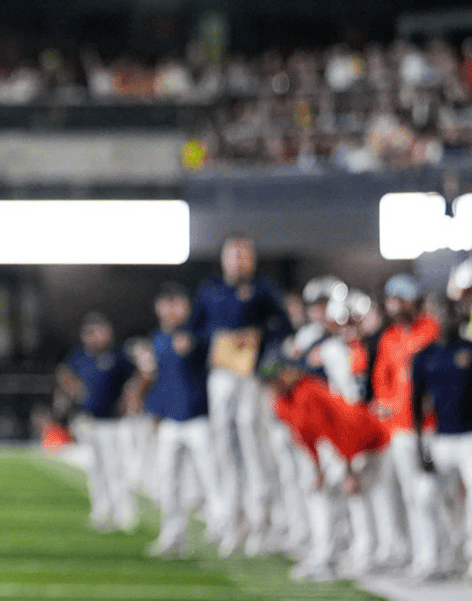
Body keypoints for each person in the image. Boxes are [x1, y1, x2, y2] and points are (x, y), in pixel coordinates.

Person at [189, 235, 294, 554]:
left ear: (252, 259)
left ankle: (263, 523)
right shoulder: (210, 290)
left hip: (249, 376)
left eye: (242, 255)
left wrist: (257, 335)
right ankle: (231, 521)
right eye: (232, 255)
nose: (237, 261)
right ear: (223, 260)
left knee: (254, 445)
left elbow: (285, 326)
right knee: (223, 448)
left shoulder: (263, 290)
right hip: (221, 374)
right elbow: (194, 330)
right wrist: (211, 342)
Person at [264, 357, 393, 580]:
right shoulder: (283, 401)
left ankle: (356, 556)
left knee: (356, 499)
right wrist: (317, 469)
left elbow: (338, 430)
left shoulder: (307, 392)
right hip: (343, 446)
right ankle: (331, 556)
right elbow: (305, 438)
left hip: (364, 441)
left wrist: (349, 470)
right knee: (328, 498)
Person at [412, 296, 472, 586]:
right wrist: (420, 447)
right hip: (442, 438)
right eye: (445, 314)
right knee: (425, 498)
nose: (450, 319)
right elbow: (416, 404)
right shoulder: (424, 356)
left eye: (455, 314)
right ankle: (442, 557)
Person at [138, 283, 221, 557]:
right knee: (167, 482)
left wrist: (193, 341)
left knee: (212, 479)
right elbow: (159, 381)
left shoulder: (198, 333)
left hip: (198, 418)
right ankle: (172, 535)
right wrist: (155, 414)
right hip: (170, 421)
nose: (170, 310)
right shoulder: (157, 339)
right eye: (166, 303)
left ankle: (223, 530)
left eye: (176, 304)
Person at [372, 273, 445, 577]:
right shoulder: (389, 337)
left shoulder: (432, 329)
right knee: (412, 495)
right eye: (391, 300)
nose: (394, 306)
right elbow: (382, 379)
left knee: (435, 494)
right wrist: (387, 403)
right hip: (401, 427)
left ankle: (447, 553)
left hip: (431, 425)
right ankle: (424, 555)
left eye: (400, 299)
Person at [57, 313, 139, 532]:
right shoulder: (79, 356)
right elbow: (64, 372)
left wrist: (129, 398)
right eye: (91, 333)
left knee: (115, 468)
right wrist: (72, 389)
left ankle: (124, 513)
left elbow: (136, 377)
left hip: (112, 421)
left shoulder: (118, 356)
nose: (95, 337)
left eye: (99, 332)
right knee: (94, 469)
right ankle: (101, 511)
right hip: (88, 420)